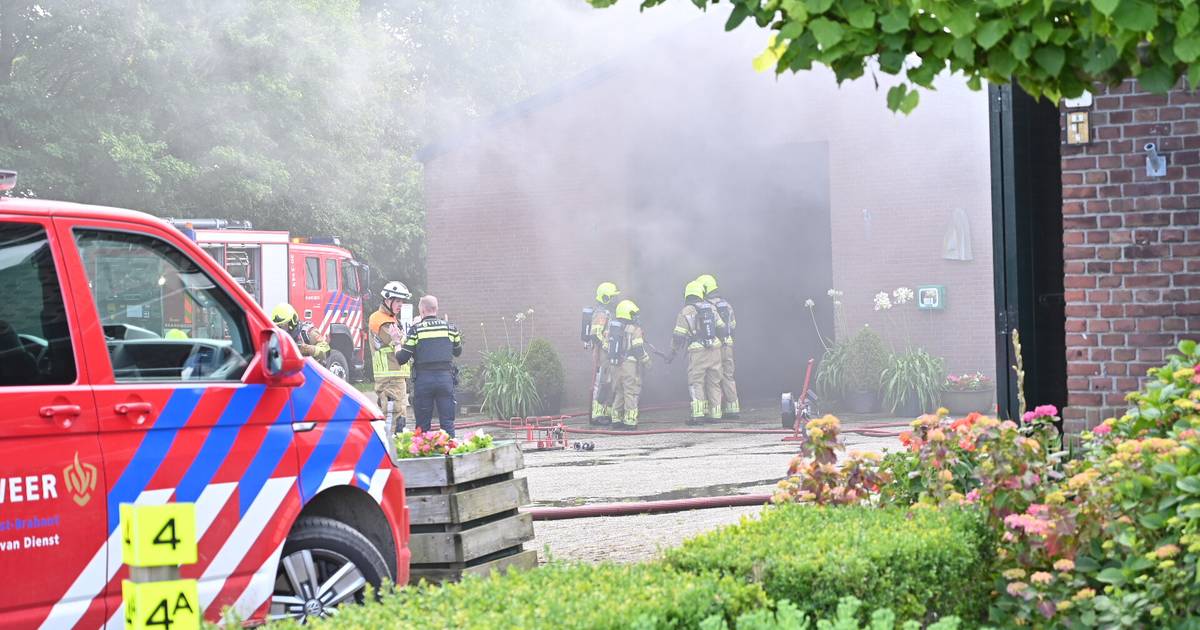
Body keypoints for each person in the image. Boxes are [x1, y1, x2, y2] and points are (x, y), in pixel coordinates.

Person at [396, 295, 462, 436]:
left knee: (422, 426)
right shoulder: (451, 328)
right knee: (448, 423)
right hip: (445, 379)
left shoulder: (416, 330)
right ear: (436, 309)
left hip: (423, 381)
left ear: (421, 311)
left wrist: (396, 343)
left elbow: (402, 359)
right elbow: (458, 352)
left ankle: (423, 454)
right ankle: (448, 454)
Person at [667, 280, 724, 424]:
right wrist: (720, 344)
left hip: (698, 351)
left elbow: (678, 336)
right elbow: (722, 328)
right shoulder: (711, 308)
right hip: (715, 348)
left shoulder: (686, 311)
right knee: (714, 382)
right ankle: (715, 414)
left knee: (696, 382)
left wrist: (672, 352)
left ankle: (698, 415)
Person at [369, 280, 413, 433]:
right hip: (389, 378)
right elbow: (396, 342)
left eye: (403, 301)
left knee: (399, 416)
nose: (401, 304)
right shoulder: (381, 320)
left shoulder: (391, 319)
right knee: (393, 419)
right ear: (387, 299)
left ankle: (395, 450)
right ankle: (390, 452)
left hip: (395, 377)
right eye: (398, 301)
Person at [697, 273, 739, 418]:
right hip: (728, 345)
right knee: (728, 376)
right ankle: (733, 408)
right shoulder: (727, 305)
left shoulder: (706, 307)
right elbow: (732, 325)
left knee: (712, 378)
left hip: (714, 348)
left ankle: (714, 411)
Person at [608, 299, 650, 429]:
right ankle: (630, 420)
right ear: (627, 314)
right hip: (629, 365)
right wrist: (646, 361)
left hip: (615, 364)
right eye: (633, 314)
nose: (635, 317)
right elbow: (638, 348)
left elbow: (606, 345)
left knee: (619, 391)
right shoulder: (634, 329)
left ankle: (616, 419)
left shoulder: (612, 328)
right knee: (630, 392)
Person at [587, 281, 621, 425]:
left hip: (608, 354)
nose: (614, 300)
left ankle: (605, 412)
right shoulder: (601, 313)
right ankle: (596, 414)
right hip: (602, 355)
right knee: (601, 383)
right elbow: (596, 334)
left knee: (608, 382)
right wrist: (607, 345)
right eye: (612, 297)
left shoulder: (608, 313)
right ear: (605, 298)